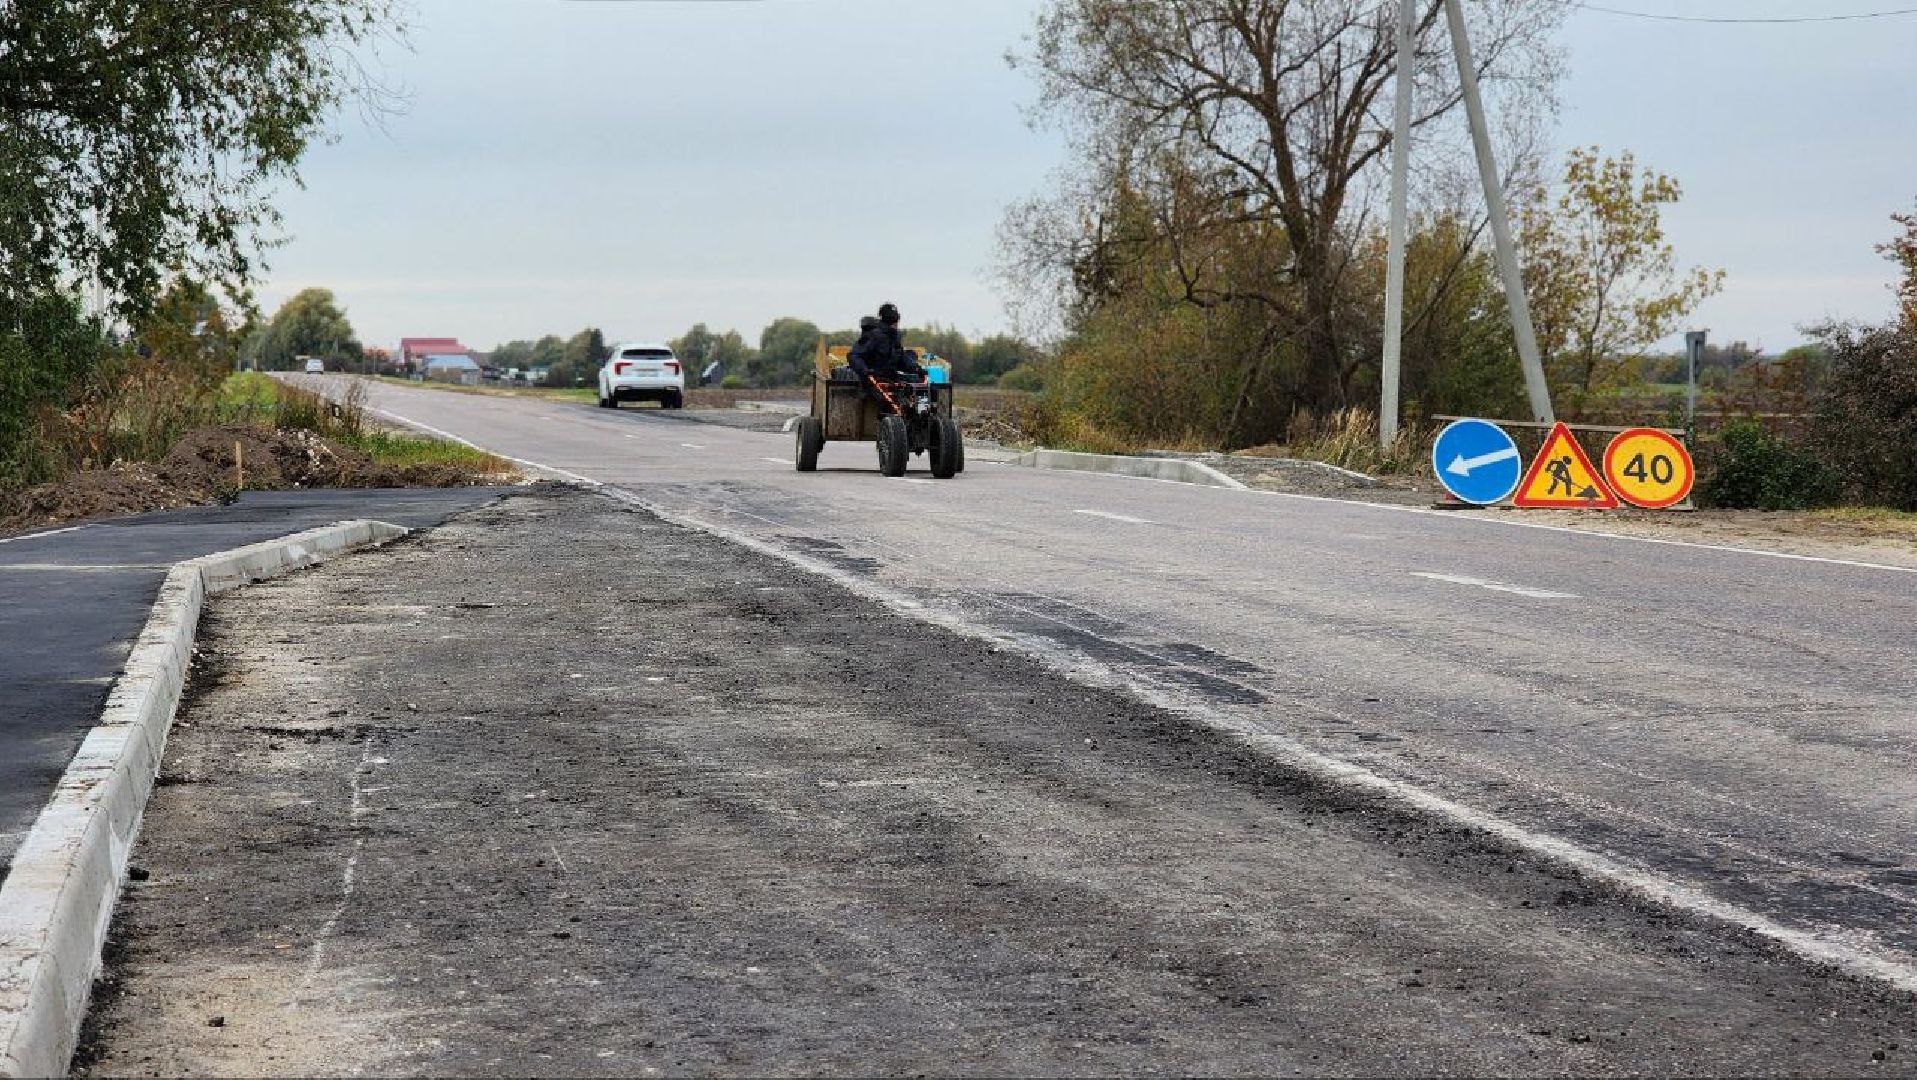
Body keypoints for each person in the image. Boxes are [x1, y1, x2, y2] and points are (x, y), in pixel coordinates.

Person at [847, 302, 924, 383]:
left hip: (891, 378)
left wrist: (916, 369)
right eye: (894, 320)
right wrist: (865, 371)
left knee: (919, 385)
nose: (896, 323)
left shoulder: (894, 337)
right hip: (872, 380)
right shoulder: (873, 336)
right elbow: (854, 355)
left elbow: (901, 358)